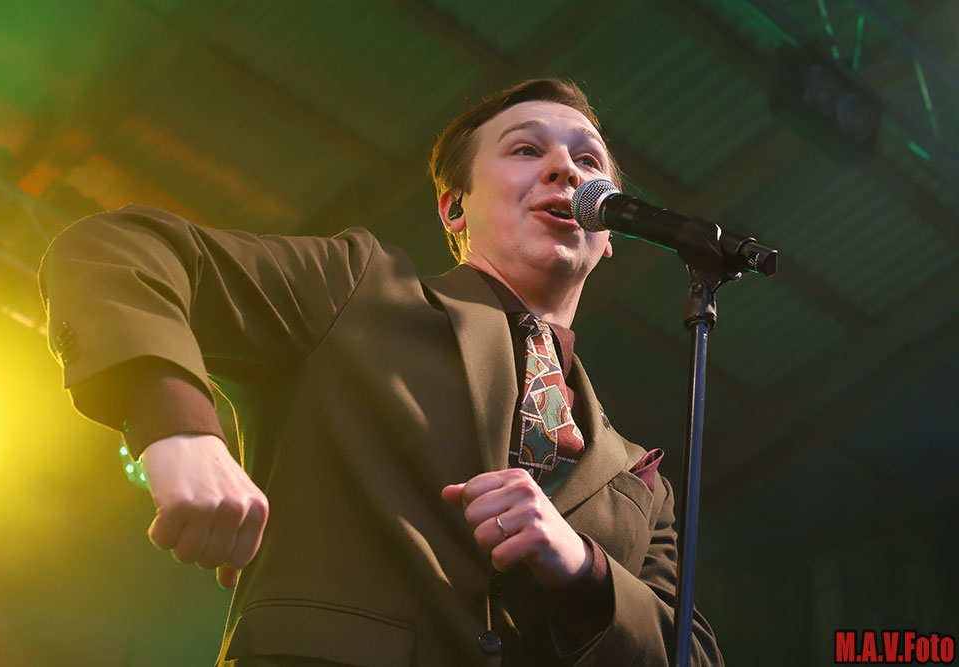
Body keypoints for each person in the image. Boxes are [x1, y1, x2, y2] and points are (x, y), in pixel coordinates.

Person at [40, 78, 723, 666]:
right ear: (454, 206)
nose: (565, 171)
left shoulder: (641, 483)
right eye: (525, 149)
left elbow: (692, 652)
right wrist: (178, 429)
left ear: (609, 236)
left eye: (587, 159)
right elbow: (114, 250)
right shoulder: (357, 290)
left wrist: (582, 567)